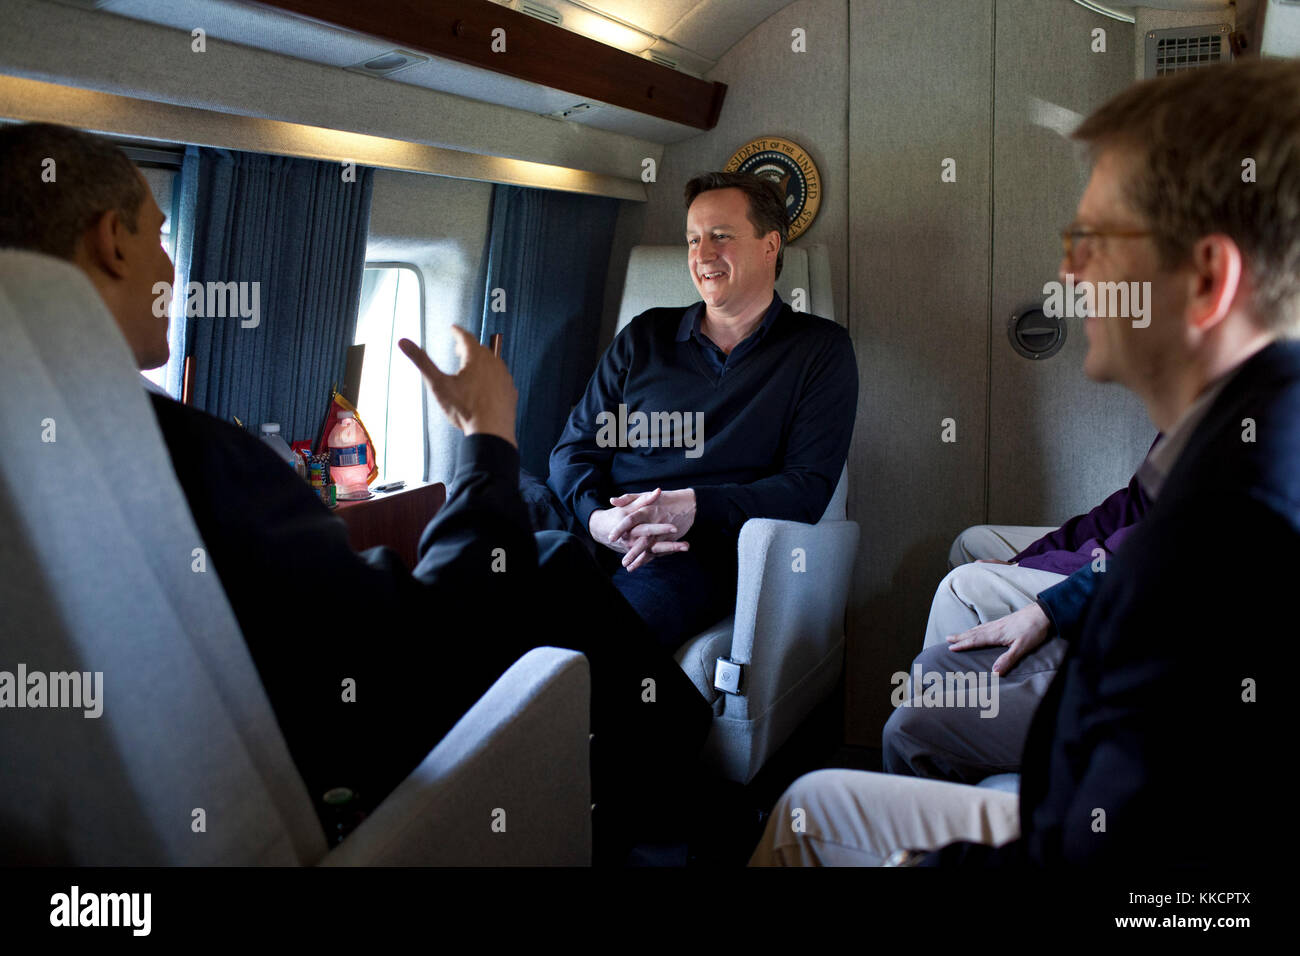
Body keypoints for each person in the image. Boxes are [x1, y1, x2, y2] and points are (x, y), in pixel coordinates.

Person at [0, 122, 712, 861]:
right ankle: (681, 807)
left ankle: (669, 782)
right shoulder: (186, 453)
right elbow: (420, 651)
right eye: (160, 233)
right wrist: (488, 437)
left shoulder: (45, 435)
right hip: (347, 764)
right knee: (555, 566)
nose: (172, 264)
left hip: (209, 753)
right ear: (111, 240)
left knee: (554, 555)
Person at [751, 57, 1292, 867]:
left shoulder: (1221, 534)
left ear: (1209, 279)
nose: (1068, 272)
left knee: (806, 811)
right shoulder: (1241, 438)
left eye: (1091, 240)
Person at [537, 171, 858, 650]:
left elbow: (806, 489)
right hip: (591, 526)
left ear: (770, 246)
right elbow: (575, 449)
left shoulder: (818, 349)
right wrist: (597, 519)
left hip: (689, 550)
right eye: (693, 239)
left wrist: (690, 507)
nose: (702, 254)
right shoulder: (645, 336)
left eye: (720, 237)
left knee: (599, 643)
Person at [884, 460, 1151, 782]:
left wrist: (1049, 604)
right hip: (1118, 570)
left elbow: (1145, 549)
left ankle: (956, 746)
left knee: (964, 585)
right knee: (932, 664)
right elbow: (1132, 506)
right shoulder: (1186, 428)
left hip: (1139, 605)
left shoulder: (1216, 432)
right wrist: (1023, 562)